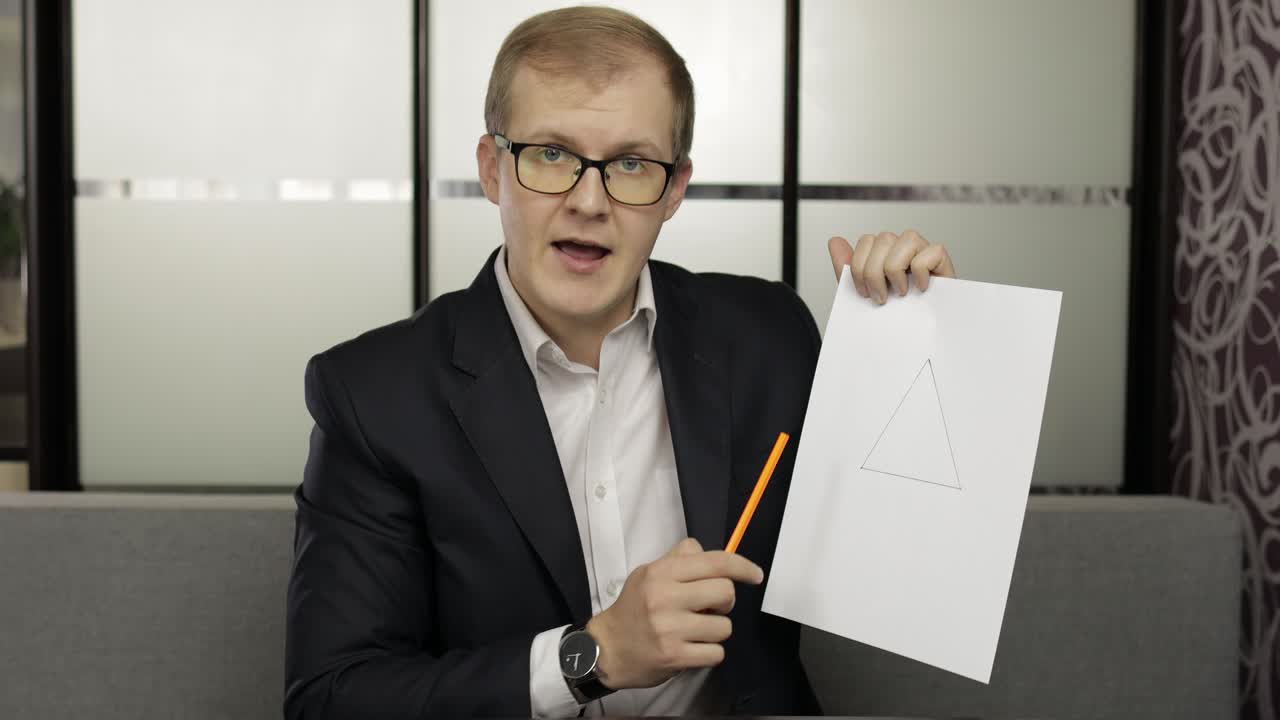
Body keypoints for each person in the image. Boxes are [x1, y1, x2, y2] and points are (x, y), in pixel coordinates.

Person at [284, 6, 956, 718]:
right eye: (550, 155)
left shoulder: (767, 336)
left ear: (674, 189)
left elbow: (908, 567)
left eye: (632, 164)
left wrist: (925, 337)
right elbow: (332, 699)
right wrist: (591, 656)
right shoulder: (372, 394)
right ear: (491, 170)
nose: (588, 200)